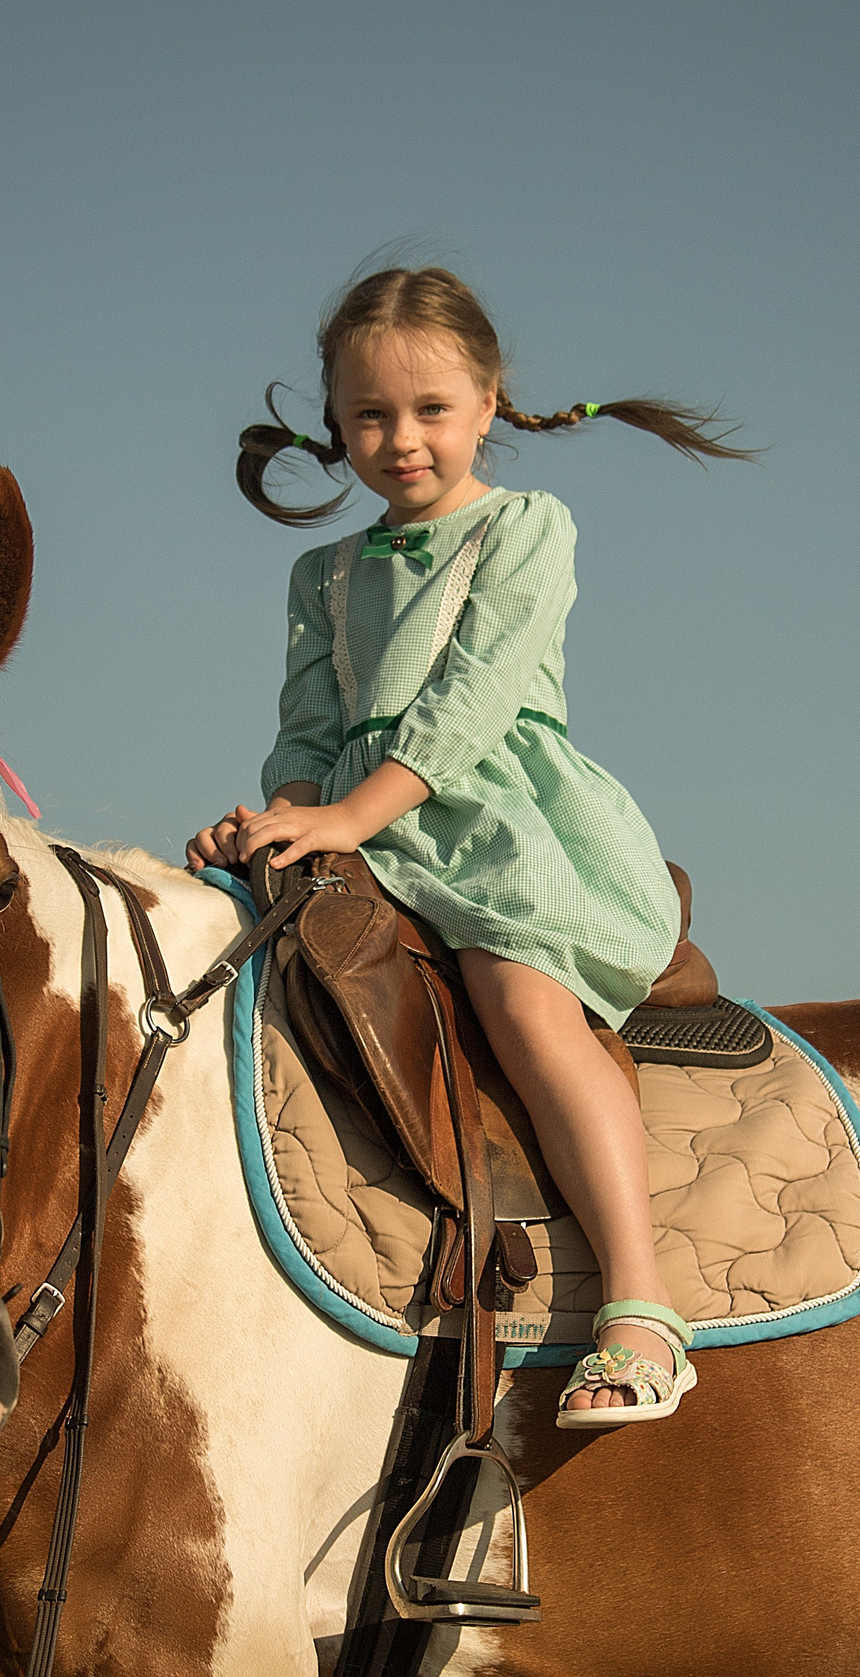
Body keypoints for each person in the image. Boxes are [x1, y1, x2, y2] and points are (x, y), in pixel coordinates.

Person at [188, 266, 754, 1425]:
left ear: (489, 401)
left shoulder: (526, 527)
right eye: (369, 417)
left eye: (431, 409)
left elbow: (473, 697)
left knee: (519, 1001)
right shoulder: (322, 572)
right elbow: (304, 727)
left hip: (492, 820)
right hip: (361, 825)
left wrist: (350, 813)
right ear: (334, 424)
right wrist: (283, 815)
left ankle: (643, 1305)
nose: (401, 440)